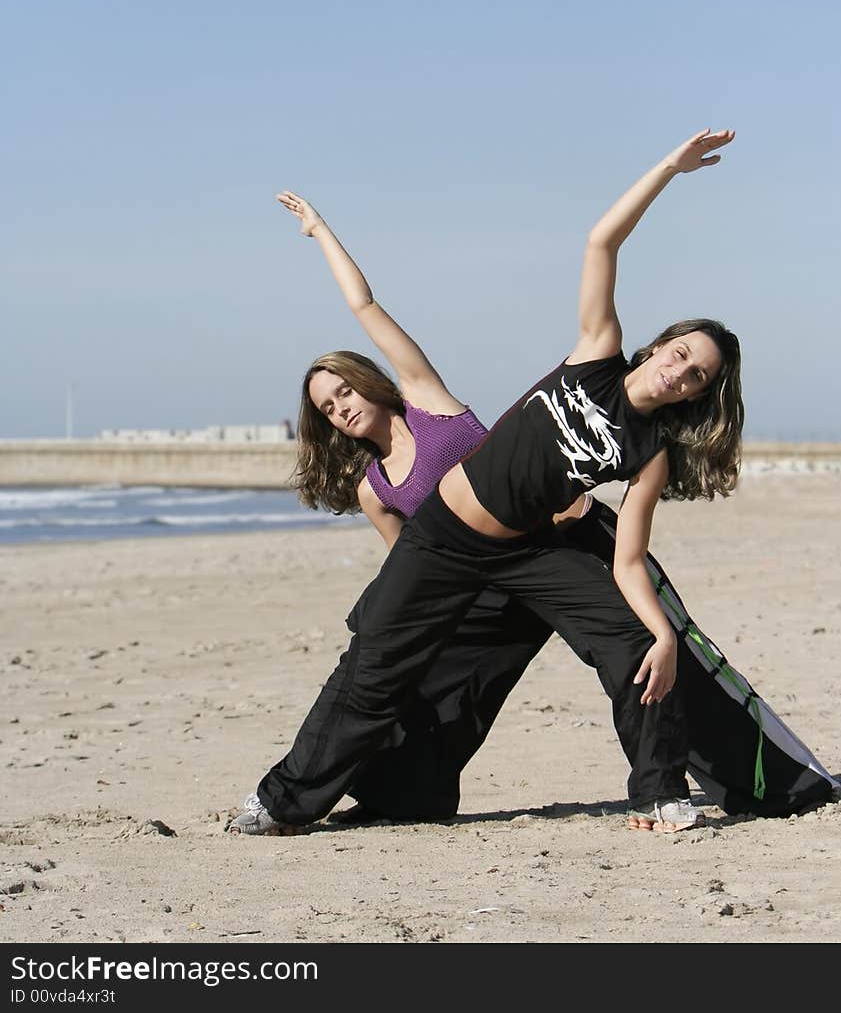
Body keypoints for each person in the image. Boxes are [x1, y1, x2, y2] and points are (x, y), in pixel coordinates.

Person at [229, 128, 745, 837]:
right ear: (658, 345)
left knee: (628, 643)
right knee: (373, 665)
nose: (681, 371)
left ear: (696, 393)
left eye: (697, 376)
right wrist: (669, 169)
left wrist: (660, 633)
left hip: (527, 555)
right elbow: (601, 242)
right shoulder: (596, 354)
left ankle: (659, 795)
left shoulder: (651, 450)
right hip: (442, 538)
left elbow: (628, 559)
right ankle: (283, 803)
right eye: (681, 353)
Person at [264, 191, 582, 822]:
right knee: (447, 701)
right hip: (476, 594)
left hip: (544, 554)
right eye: (328, 408)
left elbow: (364, 304)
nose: (342, 407)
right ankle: (408, 798)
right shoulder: (373, 489)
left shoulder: (429, 402)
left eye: (344, 391)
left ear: (367, 380)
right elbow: (412, 566)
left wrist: (320, 230)